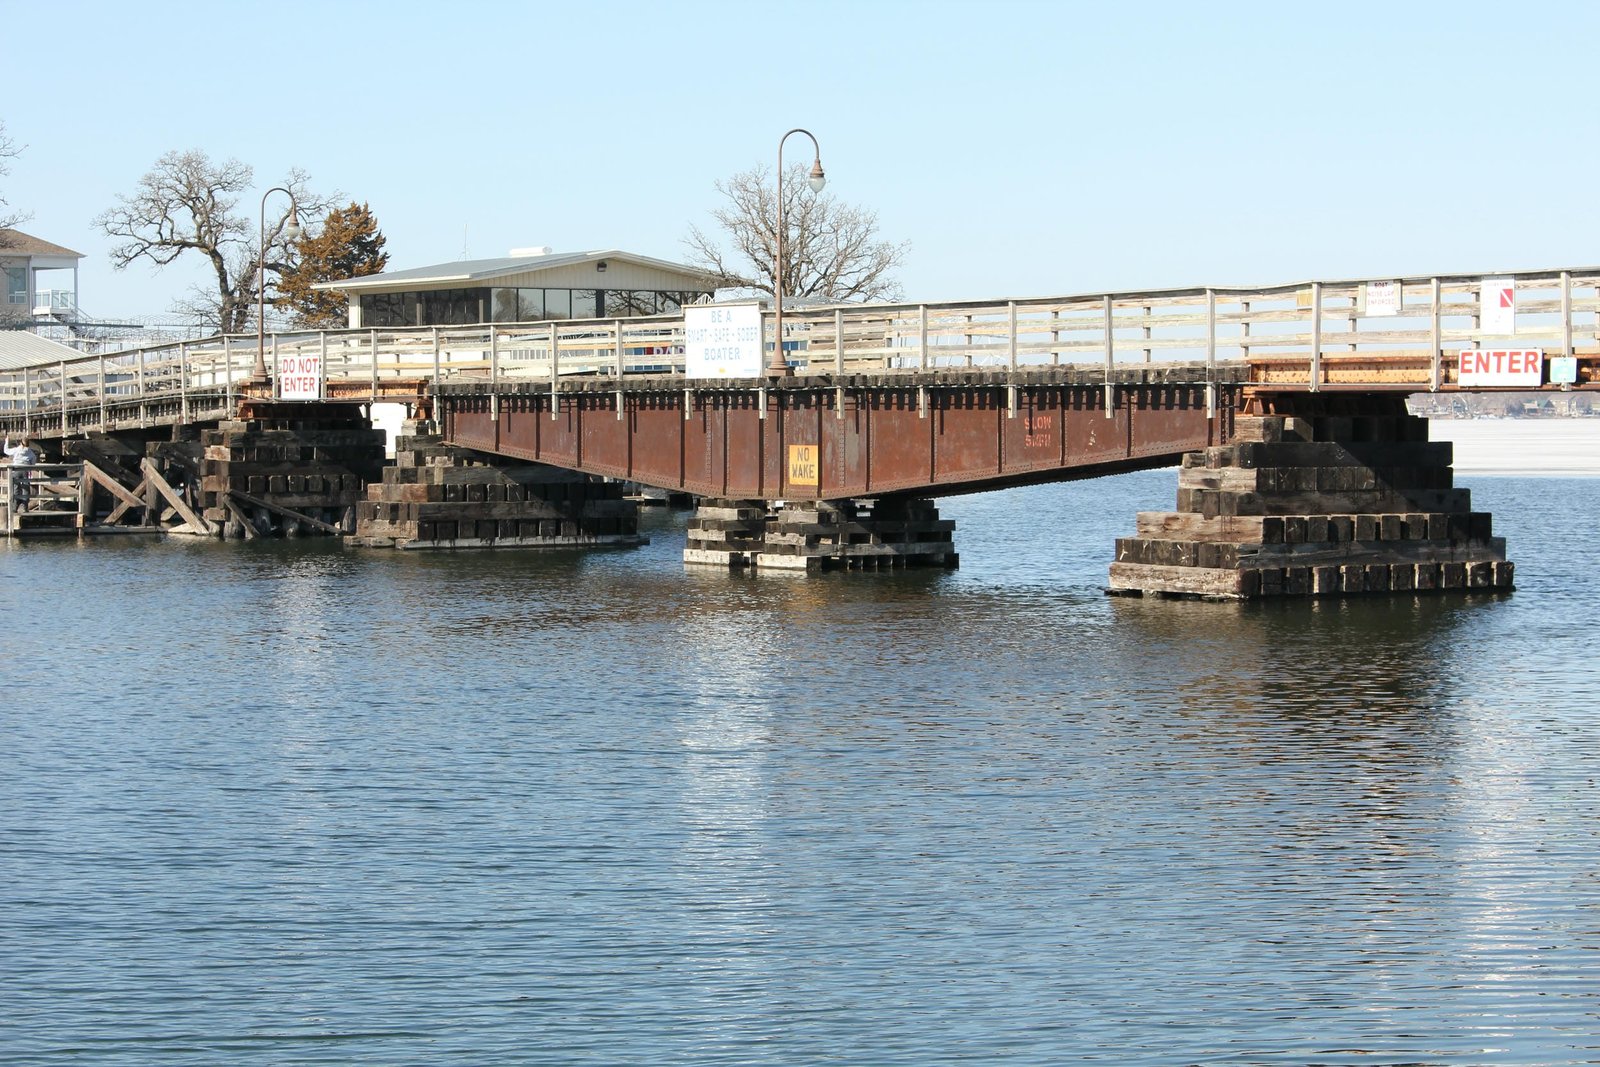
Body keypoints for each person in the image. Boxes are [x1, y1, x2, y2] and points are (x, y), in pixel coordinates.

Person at [4, 435, 38, 513]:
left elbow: (6, 451)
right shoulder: (30, 452)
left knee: (15, 487)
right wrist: (30, 465)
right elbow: (34, 461)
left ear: (20, 443)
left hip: (16, 470)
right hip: (25, 470)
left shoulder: (17, 450)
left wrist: (6, 442)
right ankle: (24, 507)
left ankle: (15, 507)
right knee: (25, 487)